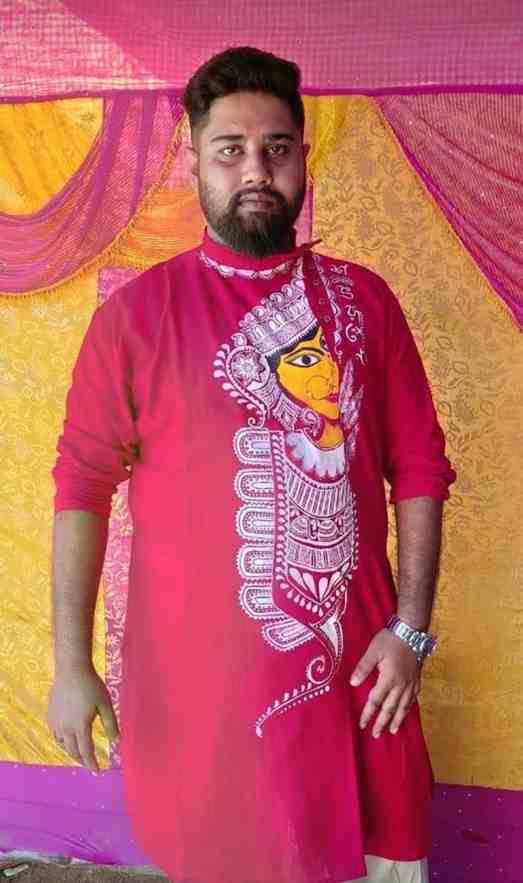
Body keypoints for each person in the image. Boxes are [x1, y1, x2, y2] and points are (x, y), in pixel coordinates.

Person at [48, 46, 455, 883]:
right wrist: (71, 663)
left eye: (275, 146)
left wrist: (409, 630)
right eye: (229, 148)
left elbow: (418, 467)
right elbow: (80, 487)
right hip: (201, 698)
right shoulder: (137, 318)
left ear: (304, 156)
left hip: (358, 676)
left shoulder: (363, 301)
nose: (254, 169)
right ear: (192, 160)